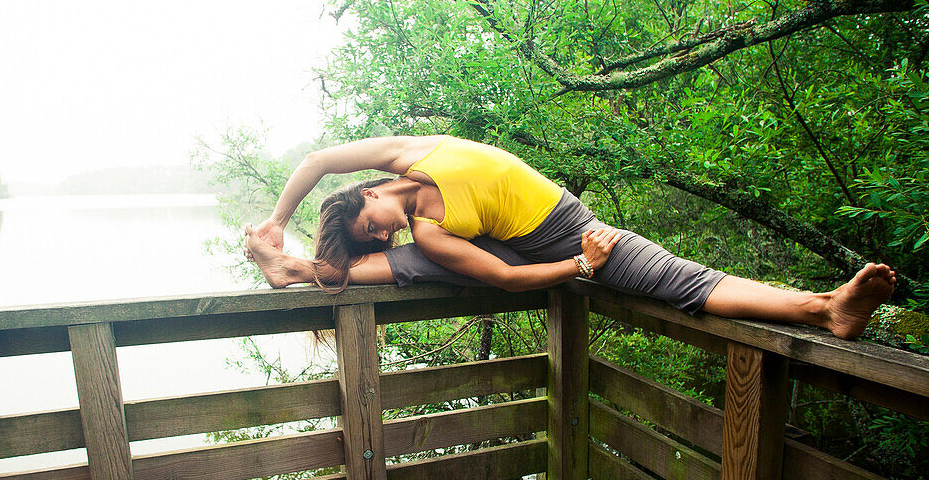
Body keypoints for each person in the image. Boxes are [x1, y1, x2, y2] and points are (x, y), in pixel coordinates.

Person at [243, 134, 895, 341]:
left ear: (368, 193)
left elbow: (319, 160)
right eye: (370, 238)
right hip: (562, 249)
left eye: (367, 226)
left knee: (678, 275)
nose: (379, 233)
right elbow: (503, 278)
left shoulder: (411, 152)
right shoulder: (431, 234)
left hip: (568, 221)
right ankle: (824, 307)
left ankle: (293, 267)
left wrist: (276, 218)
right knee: (686, 286)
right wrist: (579, 269)